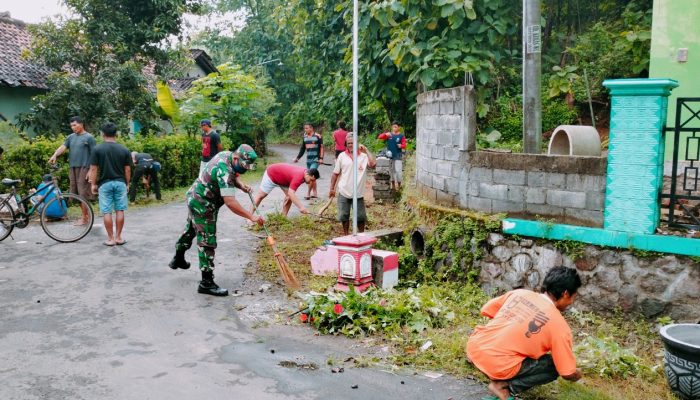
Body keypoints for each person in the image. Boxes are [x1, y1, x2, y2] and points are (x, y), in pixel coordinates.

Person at [466, 267, 583, 400]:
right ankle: (504, 386)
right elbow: (566, 372)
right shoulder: (559, 325)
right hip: (498, 365)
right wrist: (577, 375)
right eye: (574, 296)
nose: (572, 301)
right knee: (553, 366)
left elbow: (487, 310)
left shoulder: (519, 294)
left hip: (474, 348)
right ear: (566, 293)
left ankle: (487, 366)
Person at [169, 144, 264, 297]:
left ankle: (178, 258)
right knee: (207, 239)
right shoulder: (224, 169)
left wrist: (240, 185)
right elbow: (230, 202)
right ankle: (206, 283)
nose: (244, 170)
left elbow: (232, 175)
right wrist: (251, 216)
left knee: (191, 229)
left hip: (195, 197)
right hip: (203, 203)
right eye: (243, 166)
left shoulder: (227, 155)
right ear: (235, 157)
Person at [88, 122, 132, 247]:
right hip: (120, 183)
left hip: (104, 184)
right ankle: (118, 237)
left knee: (107, 211)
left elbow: (93, 169)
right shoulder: (124, 149)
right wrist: (127, 184)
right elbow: (127, 170)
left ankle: (111, 239)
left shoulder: (97, 149)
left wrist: (93, 184)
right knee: (120, 210)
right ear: (116, 134)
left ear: (102, 134)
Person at [48, 116, 96, 224]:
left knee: (83, 193)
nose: (73, 127)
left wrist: (91, 170)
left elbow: (94, 155)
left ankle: (85, 218)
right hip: (73, 168)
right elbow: (63, 147)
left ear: (81, 124)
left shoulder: (89, 138)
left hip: (85, 168)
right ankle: (85, 216)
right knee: (77, 192)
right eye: (71, 126)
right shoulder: (71, 137)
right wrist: (55, 155)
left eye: (75, 125)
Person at [329, 134, 376, 235]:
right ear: (346, 144)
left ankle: (361, 234)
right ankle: (346, 234)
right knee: (344, 215)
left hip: (358, 193)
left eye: (353, 143)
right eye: (349, 143)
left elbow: (372, 164)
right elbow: (335, 174)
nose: (351, 145)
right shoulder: (341, 156)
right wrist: (331, 189)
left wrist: (366, 150)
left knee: (360, 217)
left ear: (357, 144)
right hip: (344, 191)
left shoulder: (363, 157)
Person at [251, 163, 319, 217]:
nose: (311, 183)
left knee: (289, 197)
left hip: (283, 179)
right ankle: (249, 217)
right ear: (307, 174)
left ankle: (283, 217)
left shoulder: (306, 174)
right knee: (261, 196)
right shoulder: (299, 176)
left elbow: (290, 194)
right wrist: (301, 207)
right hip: (272, 174)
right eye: (311, 180)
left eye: (313, 181)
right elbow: (291, 193)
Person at [293, 122, 323, 199]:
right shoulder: (305, 136)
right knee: (313, 177)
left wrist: (321, 158)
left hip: (315, 160)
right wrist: (298, 158)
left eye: (306, 128)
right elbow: (303, 148)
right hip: (308, 160)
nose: (305, 130)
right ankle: (315, 193)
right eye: (304, 128)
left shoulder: (318, 136)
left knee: (310, 175)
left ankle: (308, 193)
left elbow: (321, 148)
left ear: (311, 128)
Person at [377, 121, 406, 190]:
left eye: (395, 127)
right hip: (390, 156)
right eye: (393, 127)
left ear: (399, 127)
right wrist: (385, 134)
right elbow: (379, 137)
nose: (394, 128)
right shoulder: (389, 135)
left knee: (398, 171)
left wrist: (401, 146)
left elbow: (404, 145)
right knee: (392, 171)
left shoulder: (401, 136)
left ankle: (399, 185)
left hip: (398, 156)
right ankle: (393, 185)